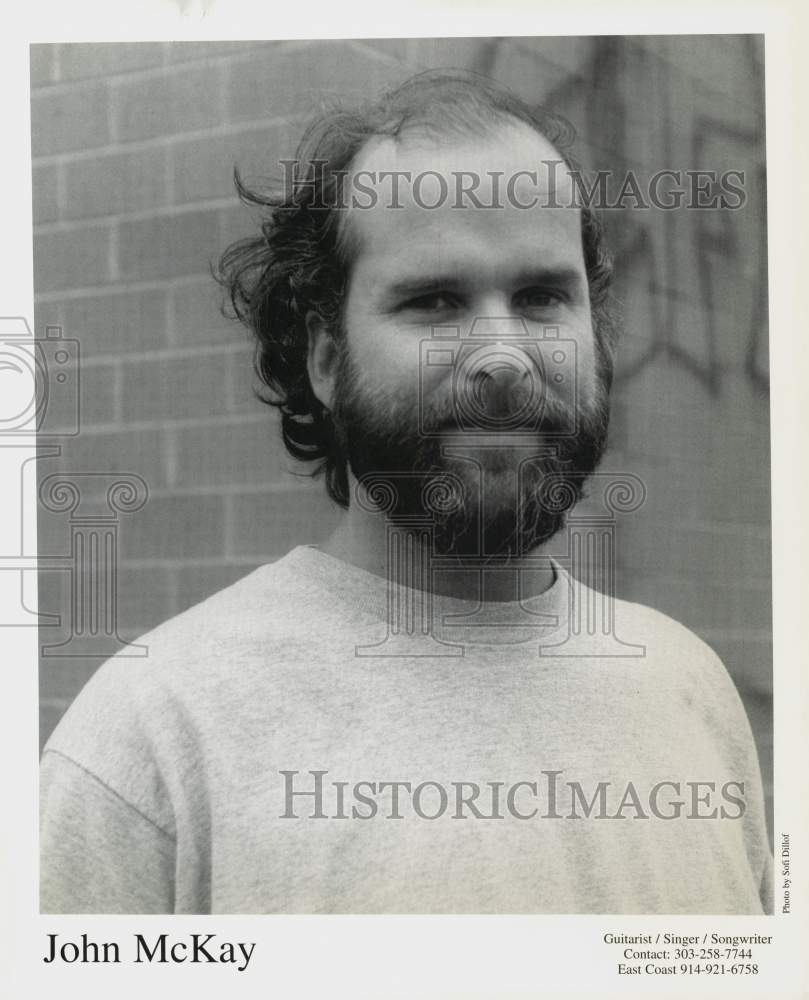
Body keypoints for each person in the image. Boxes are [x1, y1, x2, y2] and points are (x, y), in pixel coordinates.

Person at [40, 70, 772, 914]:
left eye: (541, 296)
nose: (502, 357)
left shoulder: (688, 686)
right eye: (433, 301)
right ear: (323, 358)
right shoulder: (157, 736)